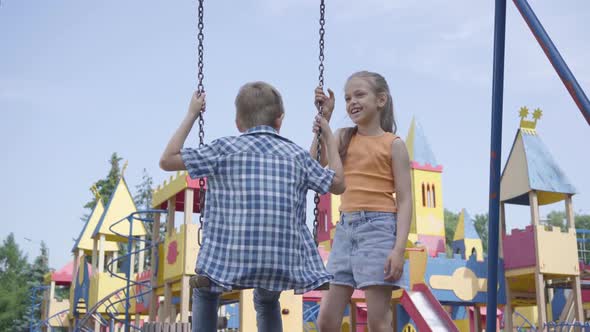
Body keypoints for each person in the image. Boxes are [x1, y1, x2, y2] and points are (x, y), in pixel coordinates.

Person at [159, 81, 345, 332]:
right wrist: (326, 129)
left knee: (205, 289)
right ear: (280, 120)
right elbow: (338, 183)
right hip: (283, 263)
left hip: (228, 261)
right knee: (267, 299)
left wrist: (193, 113)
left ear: (238, 124)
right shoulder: (296, 156)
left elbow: (167, 160)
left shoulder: (223, 149)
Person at [311, 71, 412, 332]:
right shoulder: (344, 137)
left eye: (359, 94)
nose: (352, 101)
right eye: (347, 98)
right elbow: (312, 165)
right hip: (345, 230)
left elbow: (404, 200)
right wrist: (325, 120)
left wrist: (398, 249)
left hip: (379, 229)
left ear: (381, 100)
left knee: (378, 321)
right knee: (325, 320)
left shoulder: (394, 145)